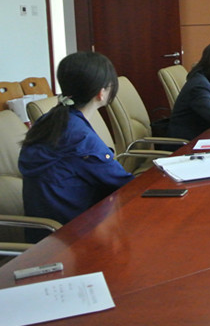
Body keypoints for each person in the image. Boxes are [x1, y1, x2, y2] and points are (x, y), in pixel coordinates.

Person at [19, 51, 133, 241]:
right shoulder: (78, 136)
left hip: (47, 235)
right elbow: (124, 185)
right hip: (74, 238)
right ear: (101, 93)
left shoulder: (49, 119)